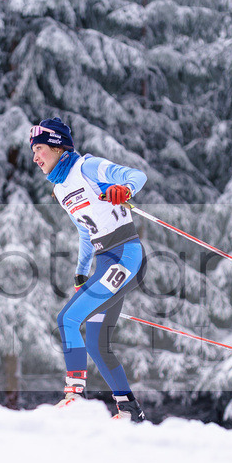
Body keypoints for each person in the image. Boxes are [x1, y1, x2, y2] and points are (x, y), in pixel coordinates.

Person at [29, 116, 147, 422]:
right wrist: (82, 272)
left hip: (126, 256)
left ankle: (75, 395)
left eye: (40, 148)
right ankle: (130, 411)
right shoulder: (59, 189)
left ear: (57, 147)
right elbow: (85, 230)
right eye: (33, 151)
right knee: (96, 343)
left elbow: (136, 176)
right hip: (105, 262)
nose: (35, 156)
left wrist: (125, 190)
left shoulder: (87, 167)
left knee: (67, 318)